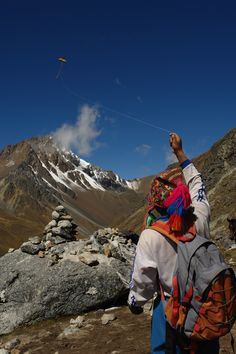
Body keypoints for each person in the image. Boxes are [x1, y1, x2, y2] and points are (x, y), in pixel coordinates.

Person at [128, 132, 219, 354]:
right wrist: (179, 152)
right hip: (206, 308)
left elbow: (144, 282)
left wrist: (135, 303)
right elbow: (197, 182)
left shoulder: (151, 235)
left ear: (155, 203)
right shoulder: (201, 215)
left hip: (172, 312)